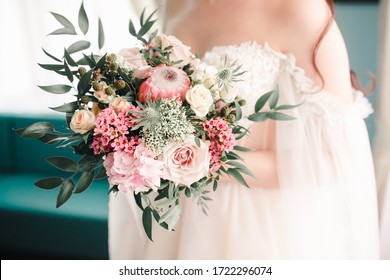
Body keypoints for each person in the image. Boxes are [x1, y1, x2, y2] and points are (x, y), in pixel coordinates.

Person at [108, 0, 380, 259]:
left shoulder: (300, 8)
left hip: (257, 226)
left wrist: (198, 162)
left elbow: (335, 158)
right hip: (176, 216)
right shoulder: (178, 3)